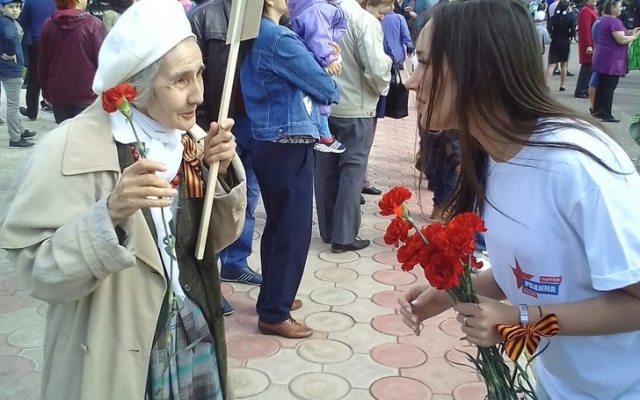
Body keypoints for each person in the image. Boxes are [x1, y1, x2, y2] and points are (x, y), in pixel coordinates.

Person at [0, 0, 247, 398]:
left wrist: (217, 172)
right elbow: (36, 271)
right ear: (139, 85)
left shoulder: (192, 140)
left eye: (199, 73)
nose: (198, 95)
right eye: (180, 80)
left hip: (194, 334)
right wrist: (108, 214)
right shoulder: (71, 149)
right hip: (114, 355)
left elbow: (211, 242)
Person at [400, 0, 640, 399]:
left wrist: (520, 318)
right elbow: (528, 268)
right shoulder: (492, 154)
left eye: (425, 63)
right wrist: (448, 294)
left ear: (481, 70)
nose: (411, 82)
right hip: (559, 382)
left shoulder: (576, 167)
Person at [241, 0, 339, 339]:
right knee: (292, 230)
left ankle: (274, 297)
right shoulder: (278, 38)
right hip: (287, 140)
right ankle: (274, 312)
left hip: (269, 138)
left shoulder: (255, 33)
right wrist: (327, 65)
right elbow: (326, 86)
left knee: (279, 225)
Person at [188, 0, 263, 316]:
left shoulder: (265, 14)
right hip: (216, 122)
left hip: (255, 120)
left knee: (246, 195)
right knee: (210, 201)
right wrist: (200, 123)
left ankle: (235, 262)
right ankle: (207, 279)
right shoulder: (203, 17)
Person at [314, 0, 392, 253]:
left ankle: (328, 230)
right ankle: (344, 235)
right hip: (356, 107)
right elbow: (377, 69)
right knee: (352, 171)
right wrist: (381, 85)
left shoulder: (319, 14)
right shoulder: (364, 21)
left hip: (324, 105)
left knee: (325, 170)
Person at [289, 0, 348, 154]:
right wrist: (328, 58)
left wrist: (331, 48)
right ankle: (323, 134)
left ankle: (323, 133)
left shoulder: (315, 6)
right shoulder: (317, 8)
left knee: (315, 96)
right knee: (319, 95)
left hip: (314, 54)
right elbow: (319, 35)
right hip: (318, 57)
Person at [39, 0, 106, 124]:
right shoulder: (94, 25)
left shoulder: (48, 25)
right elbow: (103, 62)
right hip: (88, 94)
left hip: (58, 93)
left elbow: (43, 63)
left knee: (65, 132)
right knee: (84, 134)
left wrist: (46, 92)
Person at [591, 0, 640, 123]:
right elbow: (621, 39)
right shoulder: (614, 21)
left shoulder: (604, 20)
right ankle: (606, 113)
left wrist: (630, 32)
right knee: (609, 87)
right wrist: (634, 37)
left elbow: (620, 34)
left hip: (603, 56)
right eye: (619, 6)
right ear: (612, 8)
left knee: (601, 85)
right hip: (611, 59)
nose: (621, 8)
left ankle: (597, 110)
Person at [0, 0, 37, 148]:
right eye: (11, 7)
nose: (16, 10)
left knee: (13, 104)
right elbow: (9, 37)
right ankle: (15, 138)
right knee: (13, 106)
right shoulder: (8, 24)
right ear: (2, 7)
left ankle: (20, 130)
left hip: (5, 67)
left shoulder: (4, 21)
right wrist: (10, 53)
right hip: (12, 69)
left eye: (18, 7)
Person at [17, 0, 55, 121]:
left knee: (34, 76)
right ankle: (59, 110)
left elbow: (22, 19)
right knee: (55, 75)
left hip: (37, 39)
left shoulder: (31, 1)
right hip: (56, 39)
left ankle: (32, 111)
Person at [545, 0, 575, 91]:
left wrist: (553, 34)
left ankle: (546, 84)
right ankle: (562, 85)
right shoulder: (571, 18)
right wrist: (569, 36)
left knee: (551, 64)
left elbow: (549, 28)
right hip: (565, 41)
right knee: (563, 64)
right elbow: (573, 31)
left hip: (555, 41)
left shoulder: (554, 17)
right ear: (567, 7)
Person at [574, 0, 598, 98]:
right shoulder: (586, 11)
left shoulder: (590, 10)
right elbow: (585, 29)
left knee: (589, 67)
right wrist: (588, 45)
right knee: (587, 67)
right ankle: (581, 89)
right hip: (589, 43)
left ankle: (585, 88)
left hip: (592, 42)